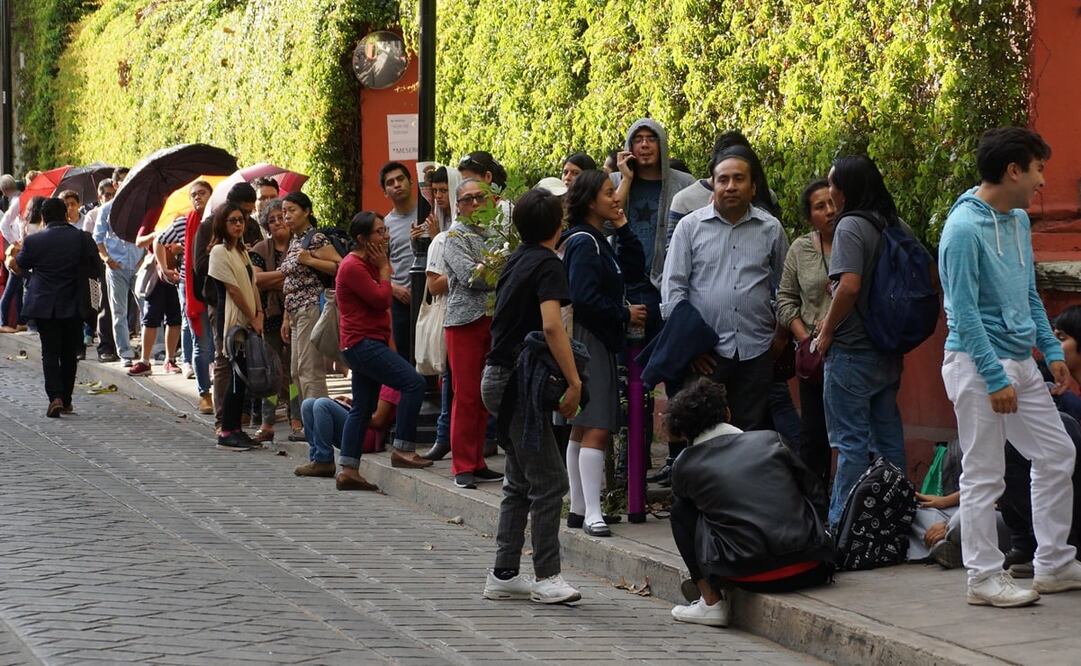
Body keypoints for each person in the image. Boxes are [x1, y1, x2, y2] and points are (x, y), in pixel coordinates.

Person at [938, 127, 1080, 608]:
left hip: (1020, 361)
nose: (1042, 181)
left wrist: (1052, 351)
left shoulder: (1017, 220)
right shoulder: (961, 230)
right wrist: (995, 377)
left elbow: (1027, 294)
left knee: (1057, 453)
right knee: (983, 474)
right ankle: (982, 578)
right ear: (1013, 170)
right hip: (978, 365)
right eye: (1038, 169)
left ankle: (1054, 564)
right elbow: (962, 312)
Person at [480, 187, 584, 604]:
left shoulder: (516, 261)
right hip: (520, 383)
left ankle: (504, 573)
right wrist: (575, 382)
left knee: (519, 480)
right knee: (550, 481)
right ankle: (547, 577)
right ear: (560, 225)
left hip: (497, 378)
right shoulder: (548, 264)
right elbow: (553, 326)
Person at [666, 378, 833, 628]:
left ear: (684, 432)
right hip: (814, 566)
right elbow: (816, 494)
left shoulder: (684, 465)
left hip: (748, 573)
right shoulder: (771, 440)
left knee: (681, 511)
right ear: (727, 413)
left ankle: (710, 601)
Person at [661, 147, 788, 432]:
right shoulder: (689, 228)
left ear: (753, 187)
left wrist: (780, 335)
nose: (730, 186)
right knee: (704, 434)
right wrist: (689, 347)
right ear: (713, 184)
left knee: (750, 434)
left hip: (756, 350)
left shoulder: (771, 229)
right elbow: (673, 293)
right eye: (723, 179)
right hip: (705, 356)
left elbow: (785, 287)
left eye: (739, 179)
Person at [812, 155, 908, 528]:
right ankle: (895, 521)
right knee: (888, 440)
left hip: (851, 352)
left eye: (834, 184)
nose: (830, 190)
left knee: (850, 443)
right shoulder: (893, 223)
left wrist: (828, 330)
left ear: (848, 189)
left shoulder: (850, 225)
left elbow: (850, 286)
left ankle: (840, 527)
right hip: (887, 350)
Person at [560, 170, 647, 536]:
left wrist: (623, 225)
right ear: (590, 200)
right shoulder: (584, 242)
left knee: (581, 426)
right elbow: (583, 297)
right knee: (596, 424)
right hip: (590, 338)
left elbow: (634, 268)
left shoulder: (597, 239)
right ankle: (593, 512)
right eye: (609, 193)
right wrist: (623, 313)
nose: (616, 199)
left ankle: (579, 508)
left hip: (588, 337)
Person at [334, 211, 428, 491]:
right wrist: (386, 270)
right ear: (362, 239)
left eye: (385, 231)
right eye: (379, 232)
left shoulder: (367, 262)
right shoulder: (353, 266)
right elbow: (380, 299)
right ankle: (403, 448)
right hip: (362, 343)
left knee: (362, 407)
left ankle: (349, 469)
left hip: (365, 341)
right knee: (413, 382)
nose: (385, 236)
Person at [11, 198, 101, 416]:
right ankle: (67, 399)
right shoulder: (83, 238)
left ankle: (55, 397)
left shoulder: (34, 241)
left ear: (43, 217)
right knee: (69, 353)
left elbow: (18, 265)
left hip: (44, 304)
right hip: (74, 303)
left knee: (49, 352)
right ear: (66, 215)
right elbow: (96, 267)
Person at [442, 179, 505, 489]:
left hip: (493, 319)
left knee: (485, 394)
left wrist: (488, 267)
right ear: (459, 206)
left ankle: (477, 460)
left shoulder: (498, 234)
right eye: (468, 199)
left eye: (482, 197)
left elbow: (499, 271)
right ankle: (462, 465)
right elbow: (469, 276)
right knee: (466, 394)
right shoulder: (454, 237)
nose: (476, 204)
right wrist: (495, 266)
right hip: (464, 322)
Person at [776, 178, 836, 485]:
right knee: (814, 435)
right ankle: (817, 507)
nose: (829, 211)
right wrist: (805, 340)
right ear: (809, 215)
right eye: (820, 206)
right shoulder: (800, 248)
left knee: (856, 434)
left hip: (850, 350)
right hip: (814, 357)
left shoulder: (857, 239)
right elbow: (785, 299)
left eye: (832, 202)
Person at [206, 202, 263, 451]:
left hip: (249, 318)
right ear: (222, 224)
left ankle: (237, 428)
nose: (238, 224)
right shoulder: (219, 251)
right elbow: (233, 289)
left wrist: (258, 313)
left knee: (244, 376)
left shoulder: (242, 251)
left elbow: (252, 285)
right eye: (233, 220)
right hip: (232, 321)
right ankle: (226, 430)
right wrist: (252, 316)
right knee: (236, 375)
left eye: (241, 220)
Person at [279, 191, 340, 407]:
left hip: (311, 307)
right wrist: (286, 318)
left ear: (307, 212)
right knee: (296, 370)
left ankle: (320, 420)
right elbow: (290, 283)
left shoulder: (315, 238)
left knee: (309, 368)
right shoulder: (294, 240)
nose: (287, 216)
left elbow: (338, 266)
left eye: (292, 210)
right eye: (284, 211)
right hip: (295, 311)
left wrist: (310, 260)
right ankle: (306, 418)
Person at [250, 199, 302, 443]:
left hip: (297, 314)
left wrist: (279, 278)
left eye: (281, 216)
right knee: (271, 372)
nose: (278, 222)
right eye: (272, 220)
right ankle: (267, 421)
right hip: (270, 317)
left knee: (294, 371)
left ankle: (296, 417)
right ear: (266, 226)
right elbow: (257, 281)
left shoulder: (299, 244)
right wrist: (291, 274)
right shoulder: (260, 250)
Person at [93, 182, 146, 367]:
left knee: (147, 308)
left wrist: (143, 260)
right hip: (117, 267)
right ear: (117, 185)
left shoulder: (141, 208)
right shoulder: (107, 209)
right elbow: (98, 238)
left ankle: (154, 350)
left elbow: (148, 233)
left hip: (139, 265)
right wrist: (107, 259)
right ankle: (125, 352)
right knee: (119, 312)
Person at [294, 390, 401, 477]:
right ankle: (316, 459)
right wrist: (350, 404)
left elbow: (378, 420)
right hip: (358, 424)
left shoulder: (389, 386)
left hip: (367, 435)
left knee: (322, 404)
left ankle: (324, 460)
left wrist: (354, 414)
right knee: (307, 404)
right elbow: (367, 407)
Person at [379, 161, 418, 360]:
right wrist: (394, 288)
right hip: (402, 299)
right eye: (390, 182)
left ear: (411, 182)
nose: (397, 184)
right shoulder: (384, 226)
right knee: (406, 358)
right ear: (386, 192)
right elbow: (378, 265)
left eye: (401, 179)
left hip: (432, 294)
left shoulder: (430, 213)